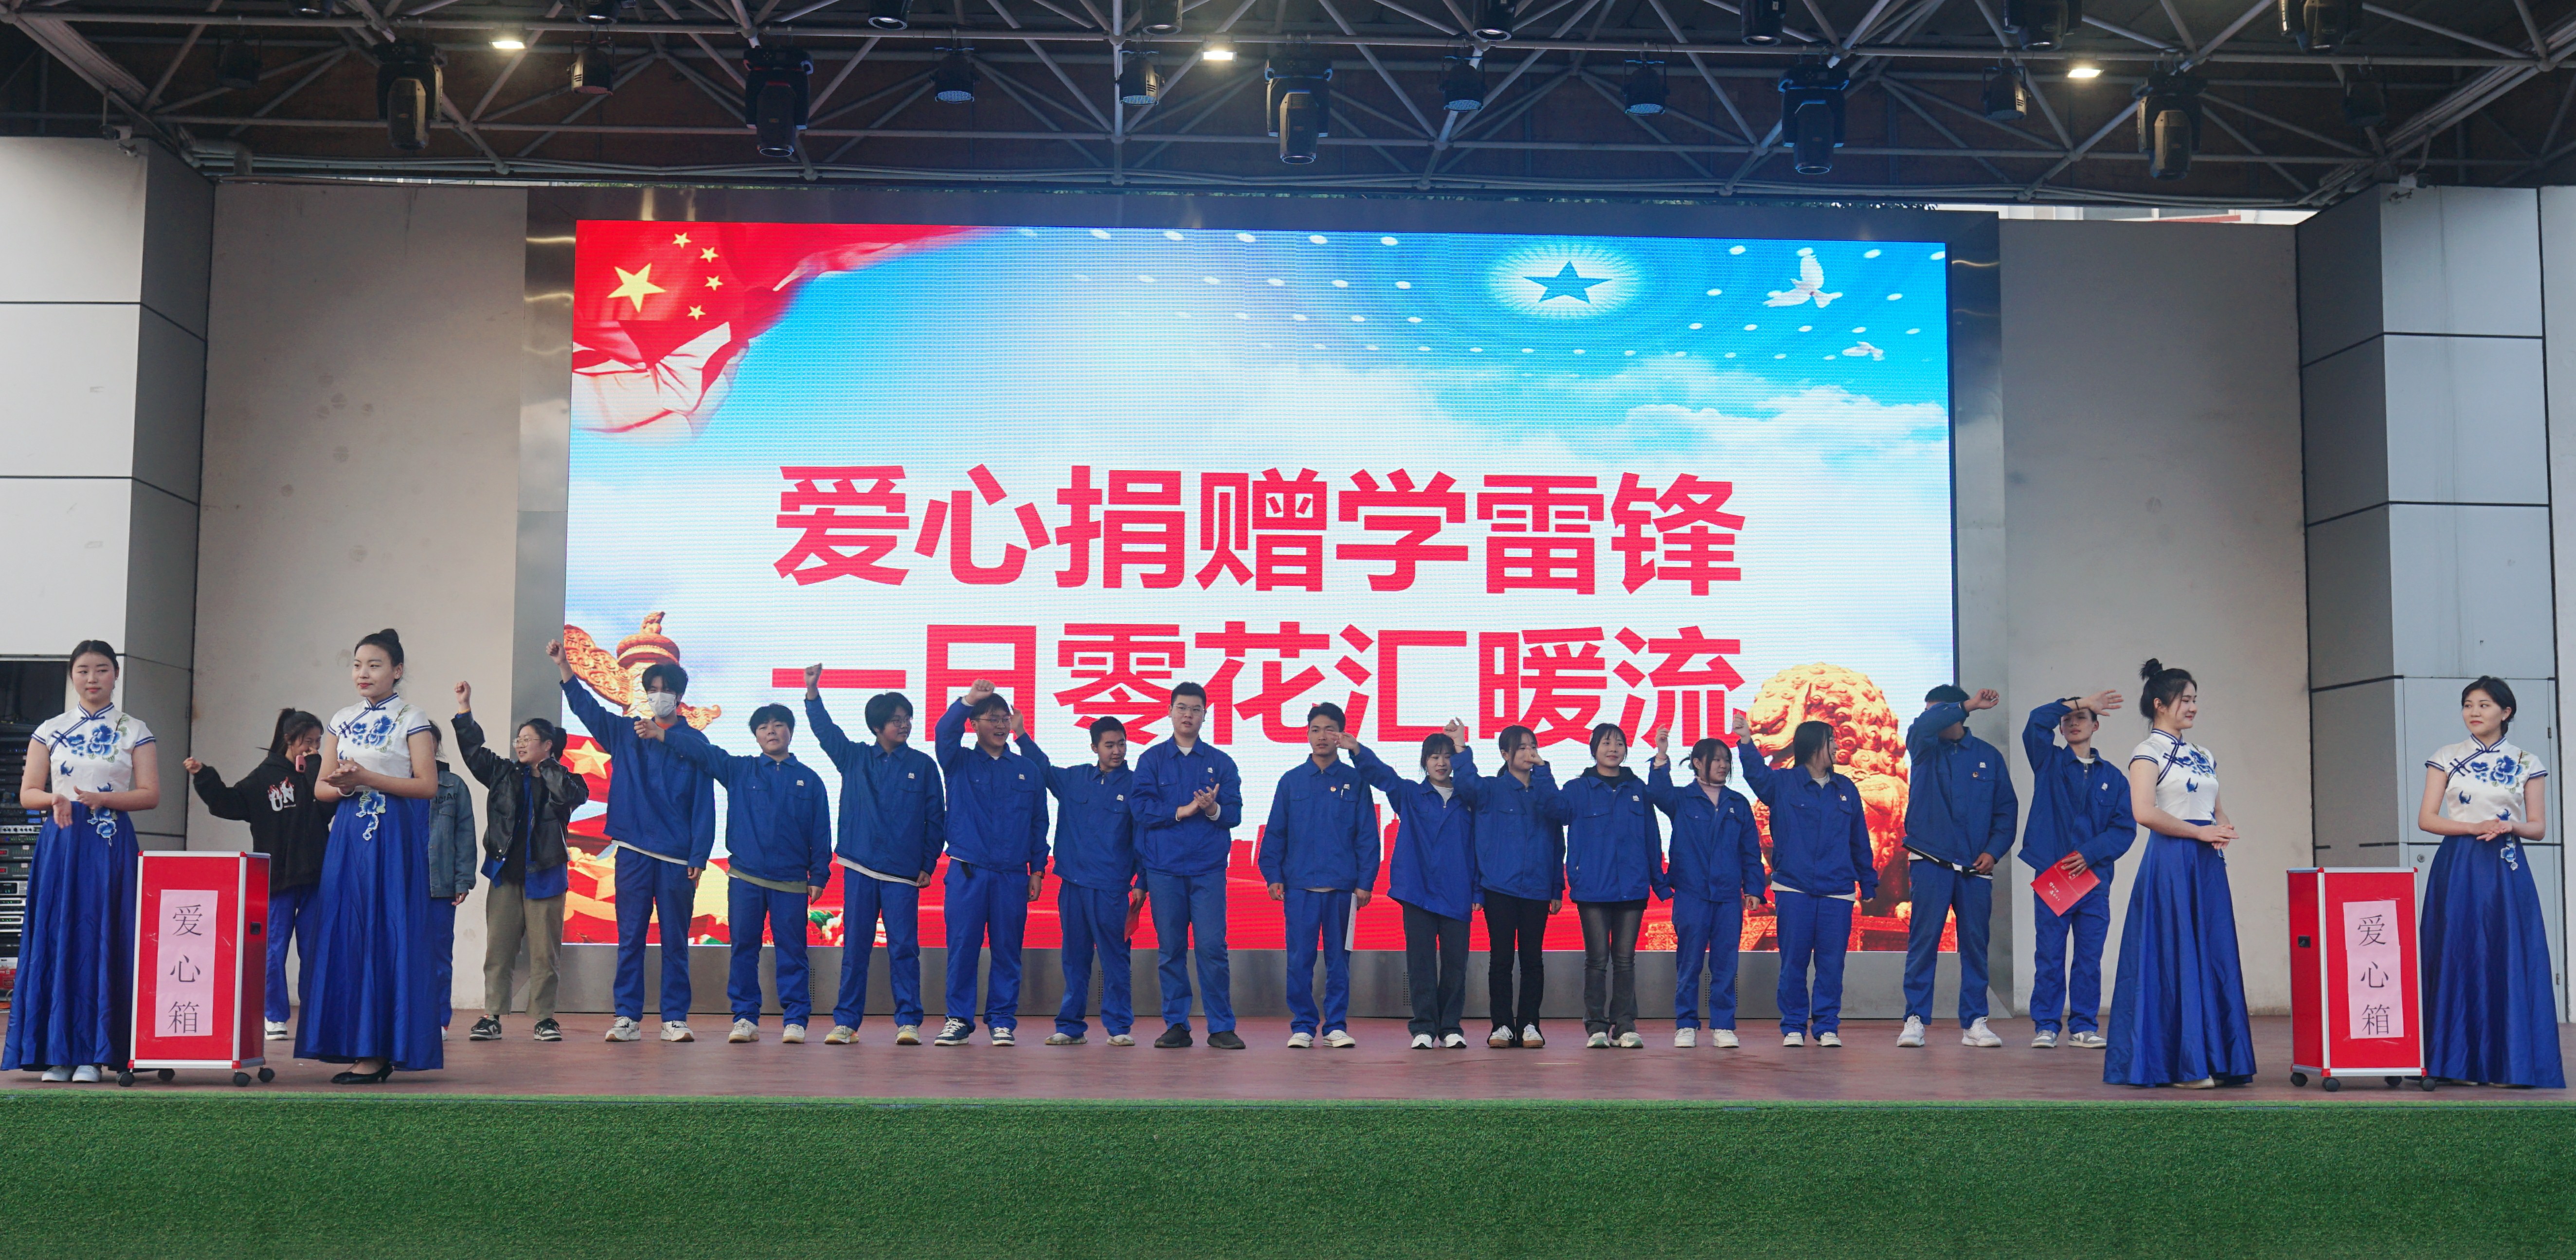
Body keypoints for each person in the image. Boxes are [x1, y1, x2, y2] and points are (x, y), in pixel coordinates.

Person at [3, 641, 158, 1084]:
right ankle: (58, 1052)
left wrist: (105, 799)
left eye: (102, 669)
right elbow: (28, 792)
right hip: (62, 839)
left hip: (109, 843)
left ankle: (95, 1052)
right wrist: (54, 798)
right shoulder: (50, 729)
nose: (93, 678)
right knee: (59, 936)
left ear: (116, 675)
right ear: (72, 675)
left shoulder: (134, 729)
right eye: (84, 670)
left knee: (104, 935)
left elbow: (150, 794)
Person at [555, 637, 716, 1044]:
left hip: (677, 858)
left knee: (676, 942)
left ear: (679, 697)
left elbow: (704, 802)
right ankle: (626, 1016)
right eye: (653, 689)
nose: (659, 695)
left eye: (667, 689)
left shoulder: (695, 743)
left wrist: (699, 854)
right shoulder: (626, 733)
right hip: (633, 853)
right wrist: (565, 668)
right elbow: (588, 709)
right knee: (630, 939)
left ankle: (674, 1018)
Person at [642, 702, 832, 1045]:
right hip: (746, 878)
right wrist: (662, 735)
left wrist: (819, 875)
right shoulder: (740, 770)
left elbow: (821, 832)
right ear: (756, 736)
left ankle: (795, 1020)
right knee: (744, 949)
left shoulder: (810, 780)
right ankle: (745, 1018)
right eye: (763, 727)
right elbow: (703, 752)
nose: (771, 731)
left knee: (793, 951)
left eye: (778, 725)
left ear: (790, 731)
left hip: (791, 882)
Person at [300, 629, 443, 1082]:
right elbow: (321, 788)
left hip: (392, 835)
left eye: (375, 665)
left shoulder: (412, 717)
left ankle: (380, 1049)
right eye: (358, 664)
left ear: (397, 671)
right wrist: (346, 785)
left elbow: (427, 785)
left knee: (387, 929)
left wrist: (367, 778)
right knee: (347, 931)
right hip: (347, 835)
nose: (363, 673)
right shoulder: (341, 719)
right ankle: (353, 1041)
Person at [2105, 659, 2254, 1088]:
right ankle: (2181, 1065)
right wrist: (2199, 832)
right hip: (2171, 861)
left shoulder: (2203, 754)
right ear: (2159, 704)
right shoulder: (2146, 752)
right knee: (2176, 955)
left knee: (2210, 952)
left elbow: (2215, 807)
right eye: (2184, 700)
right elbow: (2143, 812)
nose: (2192, 707)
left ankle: (2215, 1059)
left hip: (2205, 863)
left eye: (2194, 699)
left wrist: (2221, 829)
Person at [2416, 677, 2566, 1089]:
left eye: (2484, 705)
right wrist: (2473, 827)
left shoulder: (2526, 761)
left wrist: (2509, 826)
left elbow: (2537, 826)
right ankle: (2452, 1063)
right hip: (2458, 864)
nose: (2474, 712)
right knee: (2456, 950)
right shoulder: (2445, 756)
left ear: (2506, 711)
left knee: (2506, 953)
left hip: (2504, 865)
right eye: (2468, 704)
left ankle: (2509, 1065)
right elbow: (2427, 818)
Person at [803, 672, 944, 1046]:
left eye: (907, 718)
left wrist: (927, 863)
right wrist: (812, 694)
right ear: (877, 727)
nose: (905, 725)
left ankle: (908, 1021)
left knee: (904, 949)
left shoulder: (923, 765)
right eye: (896, 720)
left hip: (902, 874)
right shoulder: (854, 758)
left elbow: (936, 818)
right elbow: (826, 732)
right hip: (860, 868)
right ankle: (846, 1023)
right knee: (856, 948)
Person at [451, 685, 587, 1043]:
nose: (520, 745)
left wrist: (547, 767)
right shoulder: (503, 774)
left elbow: (569, 796)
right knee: (499, 950)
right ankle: (491, 1016)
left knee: (545, 955)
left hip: (546, 876)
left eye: (528, 739)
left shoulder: (568, 780)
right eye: (518, 739)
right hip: (505, 876)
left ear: (548, 745)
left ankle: (544, 1019)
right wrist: (465, 709)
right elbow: (473, 752)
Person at [184, 708, 329, 1041]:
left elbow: (327, 807)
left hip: (316, 876)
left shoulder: (316, 774)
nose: (313, 748)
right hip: (278, 879)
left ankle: (316, 1017)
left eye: (318, 742)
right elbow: (228, 803)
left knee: (316, 948)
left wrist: (315, 770)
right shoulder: (264, 777)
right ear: (289, 740)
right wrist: (205, 776)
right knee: (273, 948)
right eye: (307, 741)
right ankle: (274, 1015)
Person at [1735, 712, 1875, 1048]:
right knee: (1794, 962)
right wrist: (1745, 742)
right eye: (1832, 740)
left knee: (1831, 964)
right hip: (1794, 887)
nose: (1837, 746)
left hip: (1837, 890)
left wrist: (1868, 882)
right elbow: (1756, 774)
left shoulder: (1846, 789)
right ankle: (1794, 1026)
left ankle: (1827, 1026)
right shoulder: (1783, 783)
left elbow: (1859, 839)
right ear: (1815, 746)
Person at [1896, 685, 2018, 1050]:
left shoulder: (1987, 756)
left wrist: (1993, 852)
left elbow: (2006, 811)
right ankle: (1915, 1020)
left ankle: (1975, 1022)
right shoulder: (1923, 747)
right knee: (1923, 943)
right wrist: (1966, 705)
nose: (1932, 718)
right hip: (1930, 861)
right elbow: (1924, 724)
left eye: (1939, 710)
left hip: (1974, 868)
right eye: (1931, 712)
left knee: (1975, 946)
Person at [929, 680, 1048, 1047]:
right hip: (968, 871)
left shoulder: (1027, 769)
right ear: (974, 724)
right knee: (962, 947)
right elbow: (943, 731)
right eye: (992, 718)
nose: (1000, 725)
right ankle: (958, 1019)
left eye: (1004, 718)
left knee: (1007, 950)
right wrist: (969, 700)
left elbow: (1038, 823)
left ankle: (1002, 1020)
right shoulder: (958, 761)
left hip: (1012, 875)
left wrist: (1037, 869)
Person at [1346, 720, 1478, 1049]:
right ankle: (1423, 1027)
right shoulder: (1409, 794)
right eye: (1434, 757)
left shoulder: (1470, 798)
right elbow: (1382, 775)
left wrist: (1477, 891)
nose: (1441, 763)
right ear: (1424, 761)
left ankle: (1450, 1027)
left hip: (1457, 892)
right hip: (1418, 892)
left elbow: (1479, 849)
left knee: (1455, 966)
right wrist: (1357, 750)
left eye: (1447, 756)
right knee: (1420, 964)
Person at [1129, 681, 1246, 1051]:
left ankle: (1221, 1026)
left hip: (1207, 869)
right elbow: (1140, 809)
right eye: (1181, 707)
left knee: (1212, 948)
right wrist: (1183, 810)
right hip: (1164, 870)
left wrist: (1212, 809)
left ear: (1205, 715)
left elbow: (1235, 814)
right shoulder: (1151, 760)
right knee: (1171, 950)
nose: (1188, 715)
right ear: (1169, 711)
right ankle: (1177, 1025)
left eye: (1196, 709)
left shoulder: (1221, 762)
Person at [2018, 690, 2137, 1050]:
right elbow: (2035, 721)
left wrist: (2089, 853)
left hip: (2093, 882)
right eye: (2068, 719)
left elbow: (2124, 829)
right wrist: (2078, 702)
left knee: (2088, 957)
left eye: (2082, 718)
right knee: (2049, 954)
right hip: (2053, 877)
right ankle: (2046, 1026)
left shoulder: (2114, 778)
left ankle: (2083, 1025)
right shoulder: (2048, 761)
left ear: (2095, 726)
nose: (2073, 723)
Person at [1016, 715, 1144, 1047]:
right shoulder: (1075, 778)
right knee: (1074, 958)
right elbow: (1043, 769)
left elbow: (1145, 839)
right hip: (1072, 884)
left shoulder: (1137, 785)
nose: (1117, 751)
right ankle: (1071, 1026)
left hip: (1112, 888)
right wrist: (1021, 734)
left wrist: (1141, 882)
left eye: (1122, 744)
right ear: (1094, 748)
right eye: (1109, 745)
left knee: (1115, 959)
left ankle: (1119, 1027)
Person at [1259, 703, 1379, 1050]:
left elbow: (1367, 836)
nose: (1322, 736)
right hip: (1300, 887)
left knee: (1339, 960)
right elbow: (1276, 833)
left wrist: (1365, 882)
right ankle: (1302, 1026)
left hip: (1342, 888)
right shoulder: (1291, 781)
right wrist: (1273, 875)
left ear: (1340, 735)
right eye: (1315, 729)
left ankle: (1336, 1026)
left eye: (1329, 729)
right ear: (1307, 734)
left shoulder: (1355, 781)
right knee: (1300, 960)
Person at [1542, 723, 1667, 1050]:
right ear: (1594, 749)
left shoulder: (1638, 789)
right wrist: (1542, 772)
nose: (1613, 749)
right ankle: (1596, 1026)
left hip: (1632, 888)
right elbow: (1554, 810)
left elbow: (1651, 837)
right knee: (1597, 960)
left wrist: (1659, 882)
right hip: (1593, 887)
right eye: (1606, 743)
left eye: (1619, 743)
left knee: (1625, 960)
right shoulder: (1577, 789)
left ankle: (1625, 1025)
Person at [1645, 728, 1766, 1049]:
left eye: (1727, 760)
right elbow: (1657, 792)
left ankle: (1723, 1025)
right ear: (1698, 763)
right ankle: (1686, 1024)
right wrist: (1661, 755)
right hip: (1692, 894)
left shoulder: (1738, 803)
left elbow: (1750, 851)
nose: (1724, 765)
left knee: (1725, 965)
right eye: (1717, 760)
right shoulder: (1682, 799)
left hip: (1727, 897)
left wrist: (1753, 888)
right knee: (1689, 964)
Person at [1452, 724, 1562, 1048]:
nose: (1529, 753)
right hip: (1499, 887)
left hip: (1537, 888)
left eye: (1533, 746)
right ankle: (1501, 1025)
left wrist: (1556, 887)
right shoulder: (1491, 789)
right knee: (1500, 959)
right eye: (1521, 747)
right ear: (1505, 754)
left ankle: (1529, 1024)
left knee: (1532, 960)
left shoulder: (1545, 790)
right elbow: (1466, 785)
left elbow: (1558, 835)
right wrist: (1460, 748)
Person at [424, 725, 476, 1039]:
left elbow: (465, 836)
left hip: (440, 885)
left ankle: (439, 1019)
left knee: (440, 956)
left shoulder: (454, 786)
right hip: (400, 885)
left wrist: (463, 880)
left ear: (437, 746)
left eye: (427, 741)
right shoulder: (395, 783)